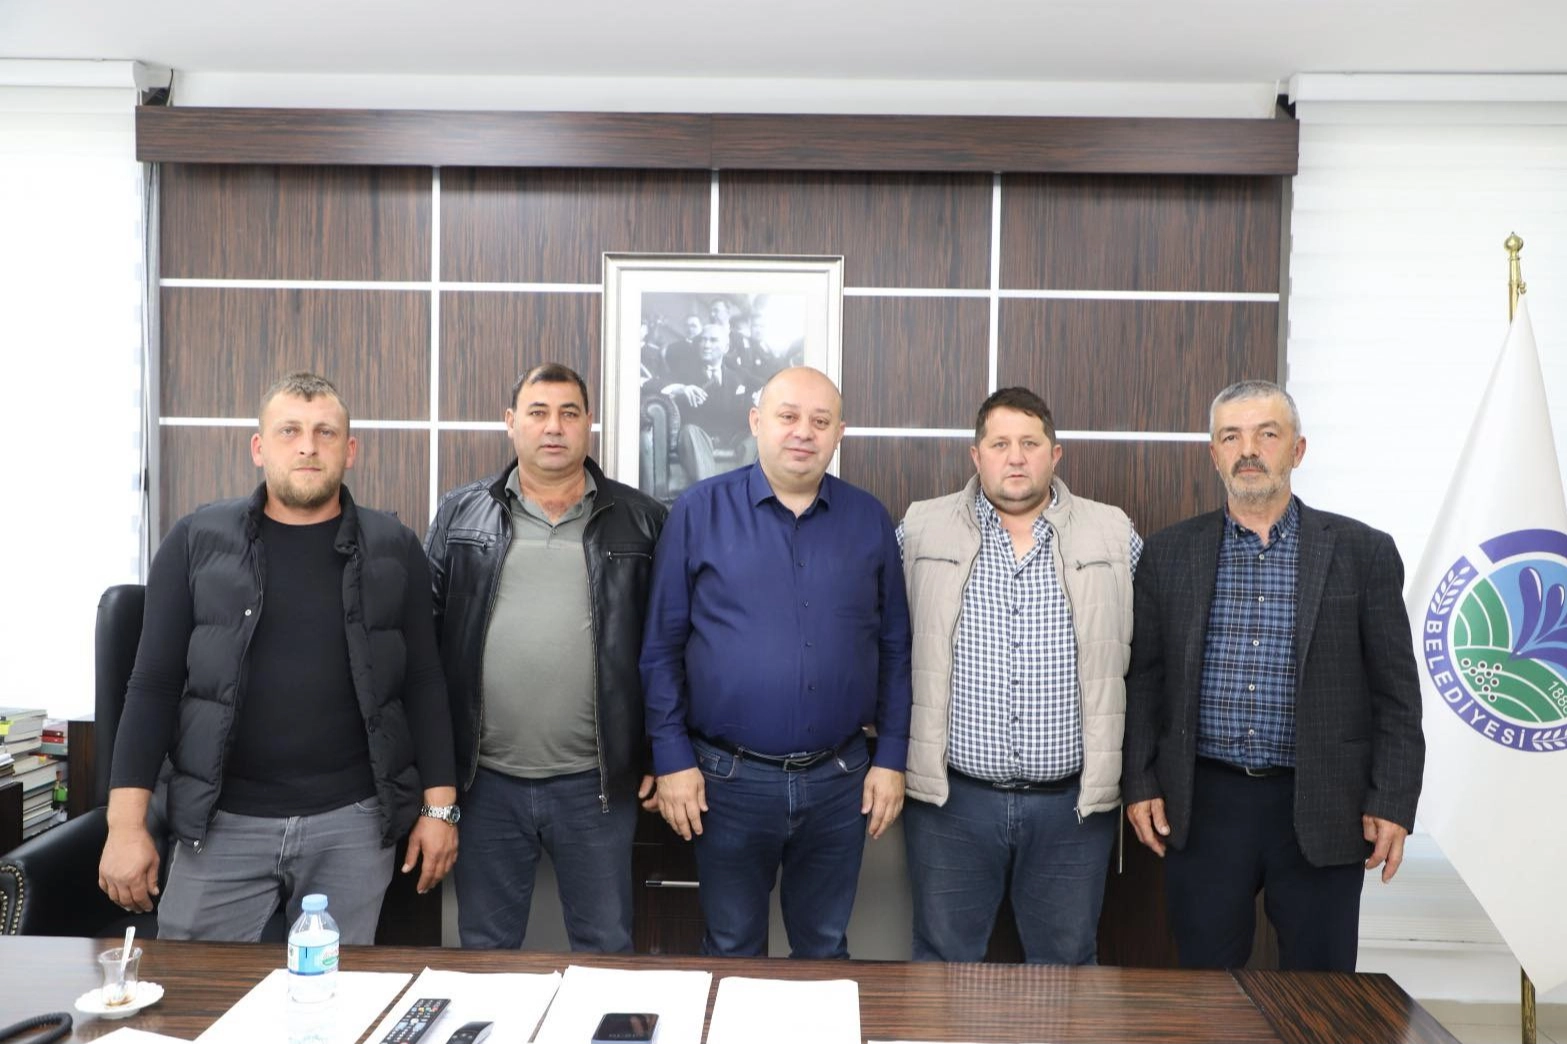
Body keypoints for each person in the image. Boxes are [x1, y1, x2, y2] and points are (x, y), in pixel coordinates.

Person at [98, 372, 459, 943]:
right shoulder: (195, 541)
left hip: (353, 823)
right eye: (289, 431)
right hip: (220, 822)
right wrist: (125, 825)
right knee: (197, 992)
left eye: (325, 432)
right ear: (259, 447)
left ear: (350, 449)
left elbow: (424, 682)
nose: (308, 446)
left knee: (335, 992)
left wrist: (440, 810)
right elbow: (152, 686)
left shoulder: (395, 546)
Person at [1123, 379, 1424, 971]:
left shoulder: (1363, 552)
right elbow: (1145, 683)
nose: (1248, 450)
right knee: (1206, 992)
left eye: (1267, 434)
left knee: (1320, 993)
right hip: (1203, 803)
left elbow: (1396, 695)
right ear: (1214, 454)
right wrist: (1139, 782)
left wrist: (1392, 799)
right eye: (1231, 437)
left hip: (1324, 801)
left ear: (1298, 450)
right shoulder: (1168, 554)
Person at [641, 366, 913, 959]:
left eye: (820, 421)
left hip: (840, 781)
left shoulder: (869, 519)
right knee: (732, 949)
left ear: (839, 432)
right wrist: (671, 759)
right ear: (756, 422)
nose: (803, 432)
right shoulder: (698, 512)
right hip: (727, 782)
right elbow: (660, 649)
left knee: (824, 949)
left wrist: (892, 758)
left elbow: (895, 647)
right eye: (788, 416)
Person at [425, 363, 667, 952]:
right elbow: (424, 647)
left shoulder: (643, 520)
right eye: (538, 412)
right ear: (511, 423)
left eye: (568, 413)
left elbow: (667, 649)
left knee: (605, 949)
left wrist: (660, 752)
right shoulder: (460, 514)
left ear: (589, 424)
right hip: (485, 784)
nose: (553, 427)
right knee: (485, 950)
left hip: (597, 786)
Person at [898, 387, 1139, 964]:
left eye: (1030, 444)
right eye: (1000, 444)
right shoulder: (920, 529)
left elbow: (1147, 656)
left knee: (1066, 968)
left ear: (1055, 455)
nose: (1015, 457)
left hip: (1071, 808)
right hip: (952, 803)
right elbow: (883, 641)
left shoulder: (1113, 533)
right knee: (942, 964)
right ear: (975, 455)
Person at [660, 323, 759, 481]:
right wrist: (681, 388)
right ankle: (709, 489)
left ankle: (743, 486)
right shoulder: (684, 371)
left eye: (713, 340)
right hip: (698, 438)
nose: (706, 345)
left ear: (726, 348)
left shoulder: (737, 375)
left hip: (731, 437)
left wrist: (762, 396)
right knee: (689, 431)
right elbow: (650, 384)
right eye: (703, 340)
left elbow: (765, 384)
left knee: (759, 432)